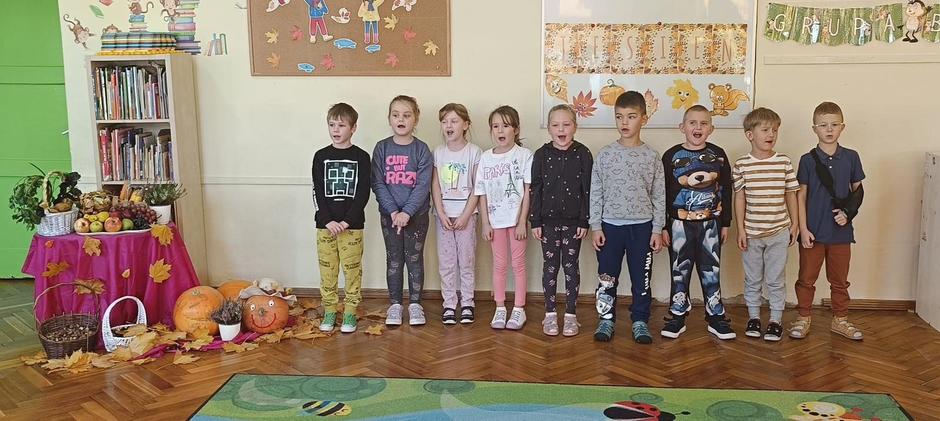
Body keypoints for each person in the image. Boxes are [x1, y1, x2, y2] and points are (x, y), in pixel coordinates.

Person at [590, 91, 665, 344]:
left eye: (631, 116)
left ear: (644, 119)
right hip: (610, 227)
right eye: (619, 116)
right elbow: (596, 192)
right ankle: (606, 319)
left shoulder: (652, 156)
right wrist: (596, 226)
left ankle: (640, 320)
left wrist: (657, 229)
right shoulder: (605, 154)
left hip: (642, 228)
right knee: (607, 277)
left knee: (641, 279)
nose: (624, 122)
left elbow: (659, 195)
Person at [790, 101, 865, 341]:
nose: (829, 129)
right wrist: (803, 229)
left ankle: (840, 319)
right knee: (806, 279)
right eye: (823, 125)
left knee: (840, 280)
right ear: (814, 129)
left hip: (841, 233)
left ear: (842, 127)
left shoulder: (851, 157)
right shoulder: (807, 160)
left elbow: (858, 191)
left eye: (834, 124)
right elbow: (801, 196)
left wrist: (848, 213)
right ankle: (803, 317)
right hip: (813, 231)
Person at [660, 104, 736, 341]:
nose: (698, 127)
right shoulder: (670, 156)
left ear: (711, 129)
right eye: (692, 122)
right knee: (679, 269)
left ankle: (715, 315)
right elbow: (662, 193)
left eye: (704, 123)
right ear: (682, 127)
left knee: (710, 269)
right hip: (679, 225)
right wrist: (663, 226)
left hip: (711, 224)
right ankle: (677, 314)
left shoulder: (718, 155)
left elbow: (726, 189)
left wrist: (725, 223)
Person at [731, 107, 800, 342]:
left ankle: (775, 320)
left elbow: (791, 194)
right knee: (752, 279)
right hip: (751, 233)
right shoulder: (742, 165)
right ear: (750, 135)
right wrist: (741, 230)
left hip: (778, 231)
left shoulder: (783, 162)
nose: (771, 134)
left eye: (775, 130)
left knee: (775, 279)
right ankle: (753, 317)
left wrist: (795, 224)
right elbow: (740, 198)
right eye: (765, 130)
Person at [529, 104, 592, 336]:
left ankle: (571, 315)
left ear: (575, 127)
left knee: (571, 267)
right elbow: (535, 189)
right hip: (547, 223)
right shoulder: (541, 155)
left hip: (574, 223)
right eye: (556, 125)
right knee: (550, 267)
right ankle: (550, 314)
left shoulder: (583, 153)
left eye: (566, 124)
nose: (561, 129)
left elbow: (588, 189)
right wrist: (535, 221)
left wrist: (584, 220)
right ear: (549, 128)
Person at [371, 95, 432, 327]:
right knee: (394, 260)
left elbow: (423, 185)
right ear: (389, 118)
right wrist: (393, 211)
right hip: (390, 217)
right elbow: (378, 183)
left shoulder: (421, 149)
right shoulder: (382, 148)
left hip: (417, 217)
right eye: (396, 115)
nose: (401, 119)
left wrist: (407, 212)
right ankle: (395, 304)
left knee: (414, 260)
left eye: (407, 115)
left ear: (416, 118)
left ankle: (415, 304)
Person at [312, 102, 370, 333]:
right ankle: (329, 310)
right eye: (331, 125)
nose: (335, 129)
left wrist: (346, 221)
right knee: (328, 271)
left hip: (352, 227)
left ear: (353, 128)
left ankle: (350, 312)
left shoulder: (361, 157)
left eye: (341, 125)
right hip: (325, 226)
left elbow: (363, 193)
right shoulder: (320, 156)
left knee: (352, 270)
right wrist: (327, 220)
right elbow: (317, 191)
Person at [475, 105, 532, 331]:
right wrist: (485, 223)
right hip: (495, 222)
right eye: (495, 126)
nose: (500, 130)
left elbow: (527, 191)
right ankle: (500, 307)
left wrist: (522, 221)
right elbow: (481, 193)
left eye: (506, 126)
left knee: (518, 264)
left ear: (516, 130)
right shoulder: (485, 158)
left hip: (516, 222)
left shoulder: (524, 156)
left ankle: (519, 308)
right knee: (499, 264)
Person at [432, 103, 482, 325]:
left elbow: (477, 187)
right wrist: (441, 212)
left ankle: (468, 302)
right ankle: (449, 304)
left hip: (466, 217)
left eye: (454, 121)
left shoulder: (474, 152)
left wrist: (466, 215)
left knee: (466, 261)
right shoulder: (438, 152)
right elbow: (435, 185)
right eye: (444, 122)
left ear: (466, 125)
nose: (448, 125)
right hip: (443, 217)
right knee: (447, 262)